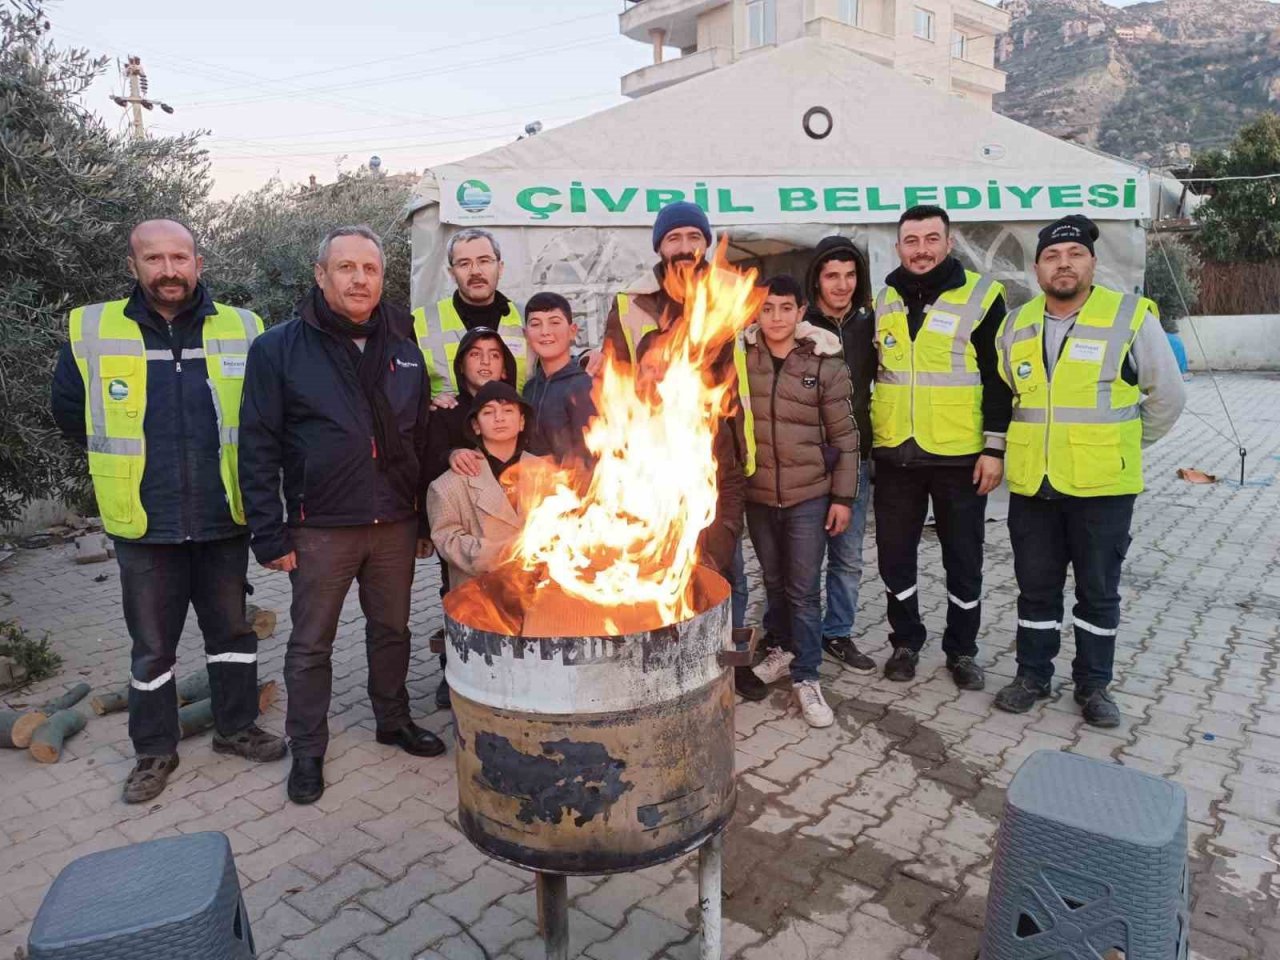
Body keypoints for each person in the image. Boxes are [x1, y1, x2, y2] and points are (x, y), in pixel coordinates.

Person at [50, 219, 285, 804]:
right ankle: (154, 750)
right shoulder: (92, 328)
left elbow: (265, 414)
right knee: (152, 646)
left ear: (198, 263)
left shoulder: (243, 328)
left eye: (179, 257)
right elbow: (69, 414)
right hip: (143, 519)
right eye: (154, 259)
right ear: (134, 267)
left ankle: (235, 728)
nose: (169, 270)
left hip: (222, 513)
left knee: (231, 632)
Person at [240, 225, 445, 807]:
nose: (359, 279)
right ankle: (307, 748)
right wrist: (268, 531)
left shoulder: (403, 348)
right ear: (320, 275)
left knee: (392, 631)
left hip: (394, 524)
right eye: (346, 268)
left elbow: (420, 437)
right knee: (311, 645)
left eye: (370, 269)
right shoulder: (279, 348)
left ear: (382, 278)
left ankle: (392, 719)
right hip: (320, 524)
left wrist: (425, 519)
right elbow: (256, 444)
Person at [992, 215, 1185, 726]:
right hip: (1035, 482)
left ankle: (1093, 685)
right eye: (1053, 257)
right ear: (1037, 268)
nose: (1063, 264)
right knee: (1035, 588)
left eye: (1074, 254)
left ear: (1092, 263)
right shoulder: (1016, 324)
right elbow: (1011, 392)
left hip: (1102, 486)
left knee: (1097, 592)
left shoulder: (1129, 317)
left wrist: (1120, 446)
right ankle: (1032, 675)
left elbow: (1166, 396)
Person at [870, 205, 1012, 689]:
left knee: (964, 559)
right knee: (894, 557)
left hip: (960, 457)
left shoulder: (983, 297)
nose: (922, 249)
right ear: (899, 248)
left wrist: (994, 448)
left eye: (932, 239)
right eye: (912, 241)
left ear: (948, 244)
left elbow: (999, 380)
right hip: (896, 456)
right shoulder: (884, 297)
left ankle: (963, 649)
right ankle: (905, 641)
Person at [596, 201, 753, 633]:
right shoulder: (631, 301)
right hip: (656, 455)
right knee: (665, 556)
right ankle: (671, 648)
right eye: (674, 238)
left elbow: (779, 331)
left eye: (693, 238)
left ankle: (728, 656)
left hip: (723, 448)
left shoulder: (733, 293)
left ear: (705, 243)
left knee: (725, 559)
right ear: (660, 246)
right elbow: (615, 375)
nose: (684, 247)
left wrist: (814, 334)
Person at [742, 276, 860, 728]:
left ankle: (807, 675)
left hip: (809, 493)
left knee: (804, 588)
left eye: (785, 308)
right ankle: (782, 650)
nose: (775, 318)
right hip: (758, 493)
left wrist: (843, 497)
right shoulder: (741, 356)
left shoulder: (824, 360)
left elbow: (845, 436)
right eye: (767, 308)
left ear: (800, 311)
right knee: (773, 579)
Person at [634, 332, 758, 700]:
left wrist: (727, 530)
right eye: (650, 367)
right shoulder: (621, 423)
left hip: (712, 529)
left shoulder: (705, 419)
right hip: (654, 539)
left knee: (728, 590)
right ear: (638, 372)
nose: (657, 374)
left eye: (665, 365)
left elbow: (732, 481)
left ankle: (734, 666)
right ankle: (672, 671)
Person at [423, 328, 519, 709]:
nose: (485, 363)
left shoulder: (540, 470)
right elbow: (444, 523)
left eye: (495, 355)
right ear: (474, 424)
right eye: (476, 355)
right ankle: (456, 676)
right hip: (478, 580)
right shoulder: (445, 411)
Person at [803, 236, 878, 674]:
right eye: (832, 275)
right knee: (804, 555)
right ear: (817, 279)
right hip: (808, 461)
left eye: (850, 275)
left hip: (858, 456)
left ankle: (838, 633)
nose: (842, 284)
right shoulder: (798, 327)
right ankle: (798, 633)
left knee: (848, 554)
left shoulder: (869, 325)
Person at [427, 381, 540, 590]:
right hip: (482, 600)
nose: (499, 418)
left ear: (522, 421)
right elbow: (447, 539)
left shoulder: (548, 473)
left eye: (508, 410)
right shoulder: (448, 485)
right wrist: (503, 554)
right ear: (476, 425)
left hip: (541, 598)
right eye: (488, 412)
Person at [413, 227, 529, 398]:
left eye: (484, 261)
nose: (475, 271)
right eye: (464, 263)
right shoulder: (419, 322)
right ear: (452, 274)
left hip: (517, 423)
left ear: (500, 268)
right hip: (448, 423)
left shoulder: (529, 319)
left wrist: (583, 358)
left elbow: (557, 366)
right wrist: (427, 404)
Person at [523, 293, 596, 467]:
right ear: (525, 334)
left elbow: (592, 456)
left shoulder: (584, 387)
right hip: (532, 488)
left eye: (554, 322)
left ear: (572, 331)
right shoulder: (529, 388)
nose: (545, 332)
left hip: (573, 490)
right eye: (535, 324)